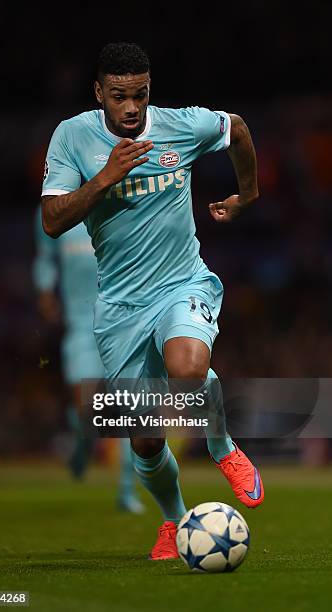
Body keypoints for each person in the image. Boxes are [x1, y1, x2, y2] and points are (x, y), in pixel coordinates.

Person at [40, 42, 264, 560]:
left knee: (188, 369)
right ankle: (172, 519)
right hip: (119, 306)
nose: (132, 108)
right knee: (144, 438)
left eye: (140, 95)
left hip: (181, 283)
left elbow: (237, 128)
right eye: (119, 97)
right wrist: (104, 178)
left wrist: (248, 194)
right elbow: (53, 221)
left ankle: (222, 448)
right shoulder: (72, 137)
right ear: (99, 93)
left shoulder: (179, 126)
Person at [33, 207, 144, 513]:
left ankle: (126, 489)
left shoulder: (119, 197)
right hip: (81, 324)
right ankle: (82, 448)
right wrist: (44, 290)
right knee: (86, 406)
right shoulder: (55, 204)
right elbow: (44, 255)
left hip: (122, 320)